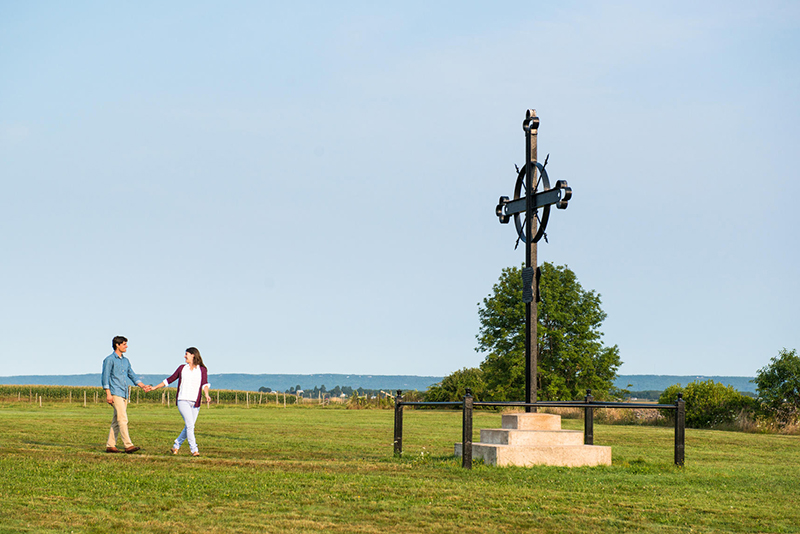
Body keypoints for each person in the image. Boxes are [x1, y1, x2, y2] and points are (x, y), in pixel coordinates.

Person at [150, 347, 211, 457]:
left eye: (186, 354)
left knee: (189, 426)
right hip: (183, 400)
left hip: (196, 402)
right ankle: (194, 450)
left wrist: (206, 394)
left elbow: (205, 384)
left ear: (193, 355)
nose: (184, 356)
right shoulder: (182, 368)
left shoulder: (202, 369)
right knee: (190, 426)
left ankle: (176, 446)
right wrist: (155, 387)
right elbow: (169, 380)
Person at [101, 336, 151, 453]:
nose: (126, 346)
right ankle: (128, 445)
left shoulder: (126, 361)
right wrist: (108, 394)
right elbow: (105, 377)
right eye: (124, 344)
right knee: (123, 419)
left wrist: (143, 386)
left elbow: (132, 375)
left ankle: (110, 445)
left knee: (116, 420)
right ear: (117, 345)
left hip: (124, 393)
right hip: (115, 393)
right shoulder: (109, 360)